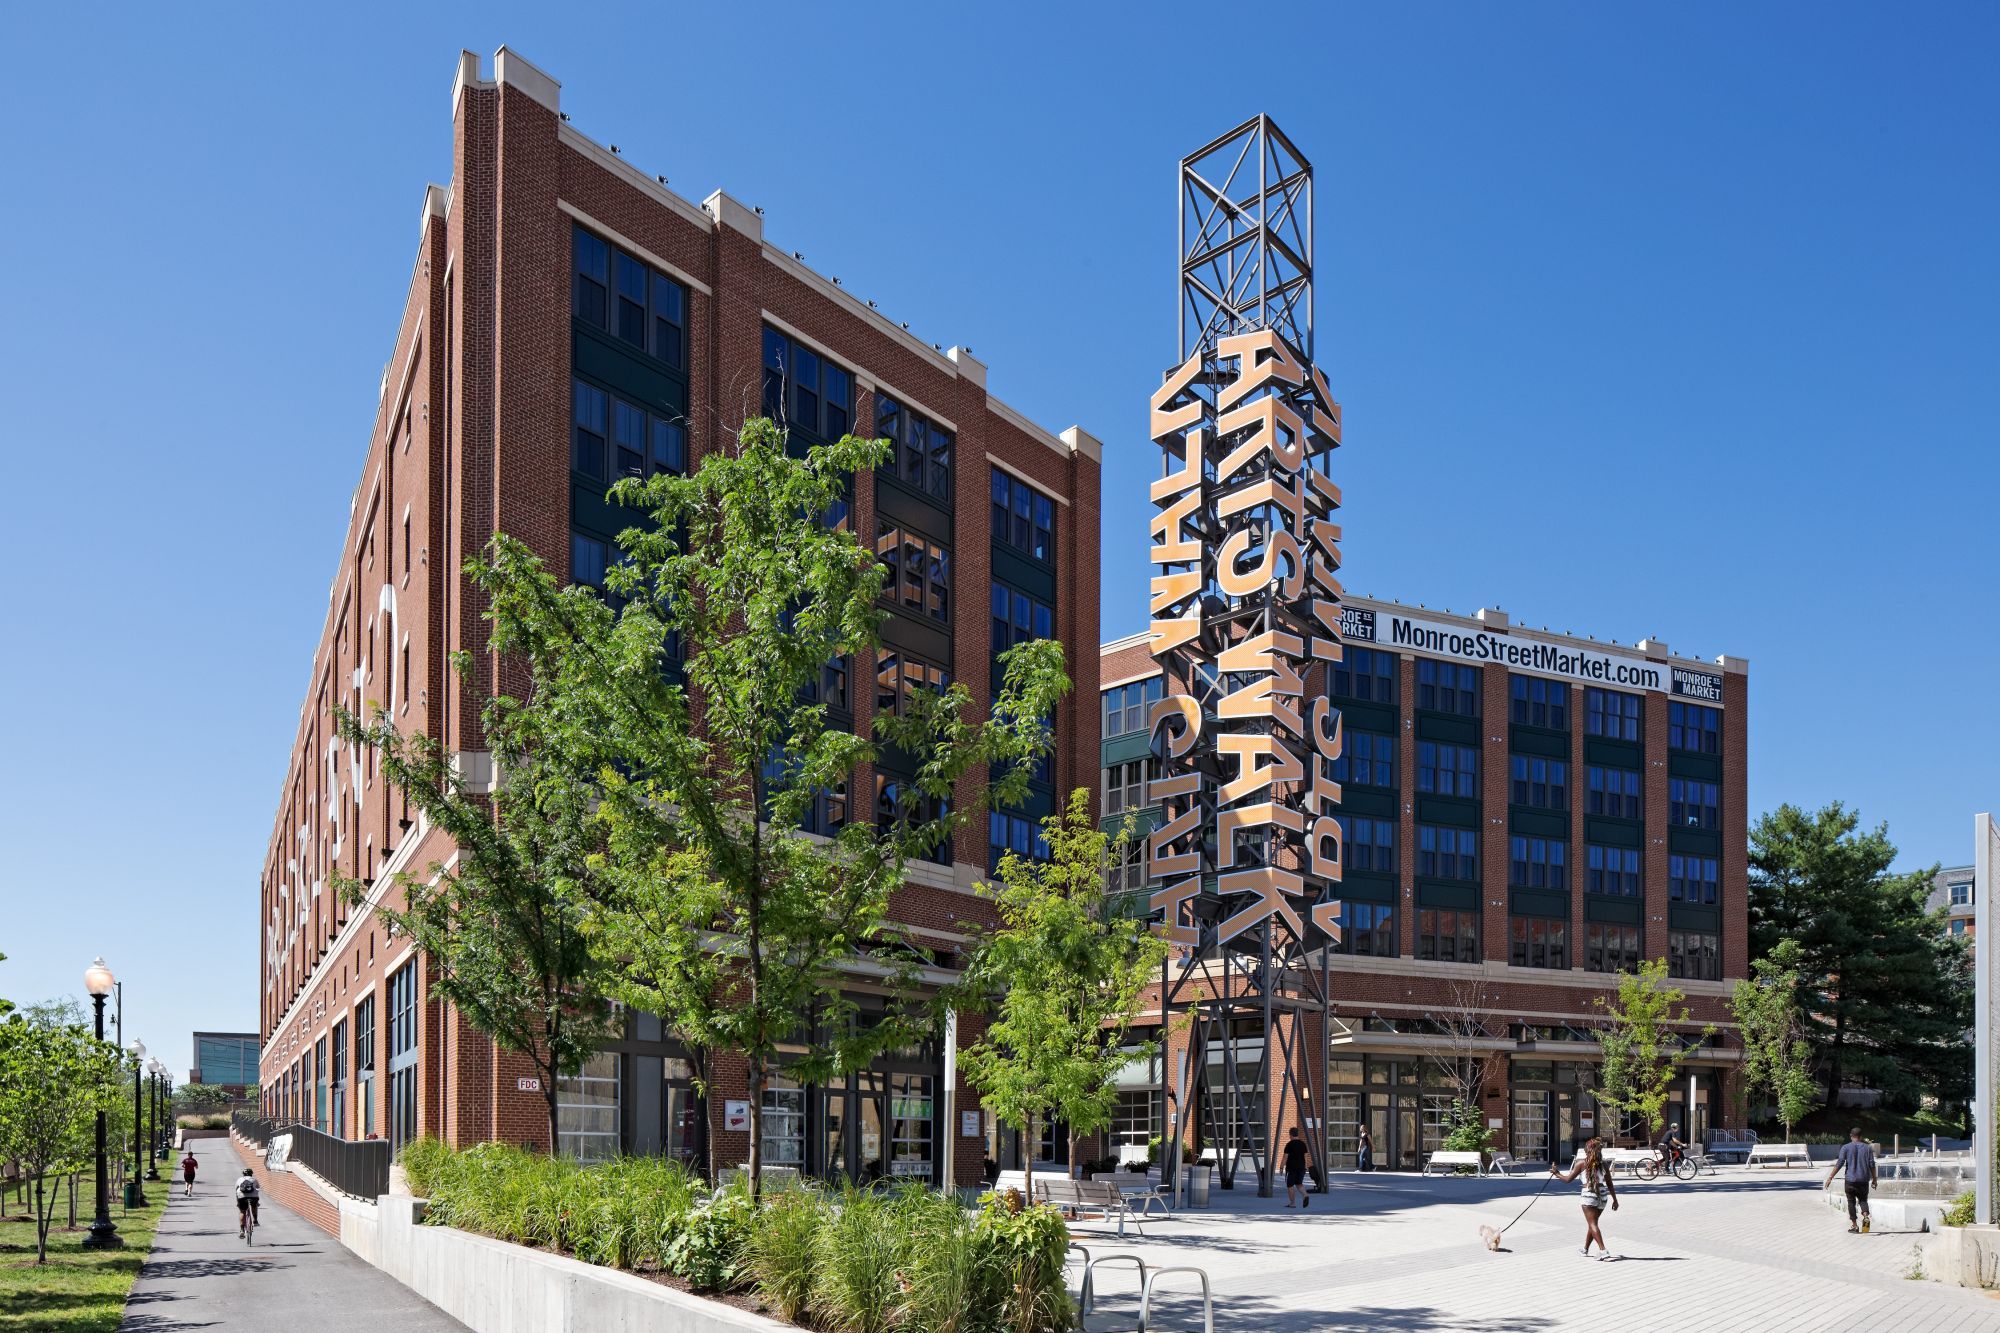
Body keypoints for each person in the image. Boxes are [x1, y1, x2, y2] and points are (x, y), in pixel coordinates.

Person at [1553, 1136, 1618, 1258]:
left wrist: (1557, 1173)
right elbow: (1609, 1183)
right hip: (1603, 1195)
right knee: (1593, 1224)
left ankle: (1603, 1250)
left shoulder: (1581, 1163)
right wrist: (1615, 1199)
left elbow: (1568, 1179)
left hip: (1589, 1195)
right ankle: (1585, 1249)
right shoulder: (1603, 1164)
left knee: (1592, 1224)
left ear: (1587, 1150)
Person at [1825, 1127, 1878, 1234]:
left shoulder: (1846, 1147)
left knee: (1851, 1202)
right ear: (1861, 1136)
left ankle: (1854, 1225)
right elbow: (1872, 1164)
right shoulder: (1868, 1148)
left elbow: (1839, 1163)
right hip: (1863, 1179)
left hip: (1850, 1180)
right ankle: (1865, 1217)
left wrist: (1830, 1177)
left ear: (1851, 1136)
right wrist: (1874, 1179)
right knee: (1863, 1200)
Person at [1282, 1126, 1312, 1208]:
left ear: (1290, 1134)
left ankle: (1293, 1203)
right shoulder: (1303, 1144)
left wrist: (1281, 1167)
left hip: (1292, 1168)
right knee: (1299, 1184)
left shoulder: (1289, 1145)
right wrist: (1305, 1167)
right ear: (1297, 1134)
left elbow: (1285, 1157)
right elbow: (1305, 1156)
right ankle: (1305, 1195)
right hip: (1301, 1168)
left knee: (1290, 1186)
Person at [235, 1168, 261, 1237]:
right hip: (253, 1197)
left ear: (243, 1174)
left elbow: (236, 1189)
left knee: (242, 1212)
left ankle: (242, 1230)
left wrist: (237, 1200)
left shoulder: (240, 1179)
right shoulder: (254, 1179)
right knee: (254, 1205)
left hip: (242, 1197)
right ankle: (255, 1220)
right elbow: (258, 1188)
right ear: (251, 1174)